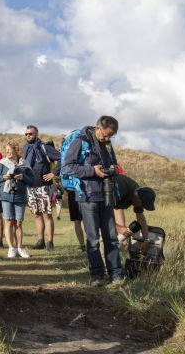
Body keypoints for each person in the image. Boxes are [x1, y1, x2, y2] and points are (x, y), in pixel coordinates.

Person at [62, 115, 123, 286]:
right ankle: (96, 276)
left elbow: (115, 165)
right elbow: (68, 167)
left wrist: (112, 170)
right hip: (87, 196)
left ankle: (116, 275)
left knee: (111, 237)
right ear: (98, 127)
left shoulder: (108, 145)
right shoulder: (80, 142)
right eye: (106, 135)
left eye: (111, 136)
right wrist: (92, 171)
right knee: (93, 239)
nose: (108, 138)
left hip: (106, 195)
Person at [23, 126, 60, 251]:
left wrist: (53, 173)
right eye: (26, 134)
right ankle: (40, 241)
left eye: (31, 134)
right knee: (37, 215)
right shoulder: (25, 149)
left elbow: (62, 158)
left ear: (36, 134)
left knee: (47, 215)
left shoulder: (45, 147)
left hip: (44, 187)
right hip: (30, 187)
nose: (28, 135)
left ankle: (50, 242)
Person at [0, 141, 32, 259]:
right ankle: (11, 248)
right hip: (6, 196)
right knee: (9, 222)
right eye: (6, 150)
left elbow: (32, 180)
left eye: (10, 150)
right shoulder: (1, 163)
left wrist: (23, 177)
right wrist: (2, 177)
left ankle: (20, 248)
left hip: (20, 196)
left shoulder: (24, 164)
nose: (8, 152)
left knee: (19, 223)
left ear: (16, 150)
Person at [113, 175, 156, 252]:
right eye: (143, 205)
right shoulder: (121, 191)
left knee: (120, 237)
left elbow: (141, 219)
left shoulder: (139, 193)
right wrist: (119, 227)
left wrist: (146, 240)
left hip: (114, 204)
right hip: (95, 199)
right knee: (104, 238)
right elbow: (105, 213)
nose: (142, 207)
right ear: (138, 198)